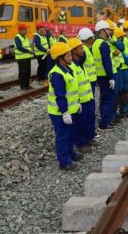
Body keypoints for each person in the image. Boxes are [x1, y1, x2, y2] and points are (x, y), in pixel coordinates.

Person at [47, 42, 82, 171]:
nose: (70, 57)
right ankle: (64, 161)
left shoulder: (68, 69)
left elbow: (72, 90)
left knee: (71, 133)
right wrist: (65, 112)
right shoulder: (57, 74)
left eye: (70, 54)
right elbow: (60, 95)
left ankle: (70, 153)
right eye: (67, 55)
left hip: (70, 109)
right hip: (59, 112)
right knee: (62, 136)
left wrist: (76, 103)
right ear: (59, 57)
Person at [67, 38, 95, 152]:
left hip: (88, 98)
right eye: (80, 48)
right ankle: (80, 144)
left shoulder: (79, 63)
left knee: (88, 120)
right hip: (80, 101)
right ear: (73, 50)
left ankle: (88, 139)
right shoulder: (72, 67)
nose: (83, 50)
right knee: (80, 124)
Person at [92, 20, 116, 130]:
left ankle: (103, 120)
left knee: (103, 98)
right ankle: (104, 124)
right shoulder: (104, 44)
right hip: (106, 76)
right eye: (107, 30)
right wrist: (111, 77)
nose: (109, 32)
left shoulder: (95, 44)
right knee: (109, 100)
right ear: (102, 31)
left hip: (99, 75)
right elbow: (107, 62)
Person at [114, 27, 128, 118]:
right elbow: (124, 56)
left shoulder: (118, 45)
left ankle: (124, 108)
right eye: (121, 37)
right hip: (121, 70)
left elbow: (124, 56)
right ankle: (123, 109)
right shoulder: (116, 45)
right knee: (123, 90)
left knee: (125, 89)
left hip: (123, 69)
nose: (123, 38)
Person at [77, 28, 97, 95]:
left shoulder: (86, 49)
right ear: (87, 39)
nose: (93, 39)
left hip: (90, 80)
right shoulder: (84, 51)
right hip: (88, 81)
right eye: (91, 38)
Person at [14, 23, 33, 90]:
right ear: (20, 30)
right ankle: (23, 86)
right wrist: (29, 51)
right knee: (23, 72)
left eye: (26, 29)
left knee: (28, 72)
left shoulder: (25, 37)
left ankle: (27, 85)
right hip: (21, 58)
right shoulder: (17, 37)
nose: (26, 31)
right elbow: (19, 47)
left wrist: (31, 50)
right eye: (25, 29)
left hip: (27, 57)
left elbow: (27, 46)